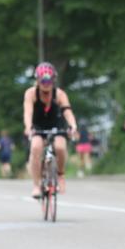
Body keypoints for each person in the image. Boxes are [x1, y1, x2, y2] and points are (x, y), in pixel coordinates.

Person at [23, 62, 78, 197]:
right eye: (43, 81)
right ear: (37, 80)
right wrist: (28, 127)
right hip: (38, 125)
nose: (46, 84)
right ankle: (36, 185)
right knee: (36, 147)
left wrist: (73, 125)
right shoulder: (31, 93)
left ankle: (60, 174)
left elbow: (67, 111)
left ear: (53, 80)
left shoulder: (59, 94)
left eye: (49, 81)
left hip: (56, 125)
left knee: (60, 147)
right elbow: (28, 112)